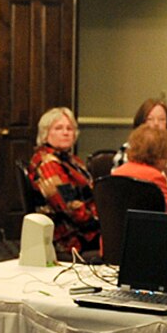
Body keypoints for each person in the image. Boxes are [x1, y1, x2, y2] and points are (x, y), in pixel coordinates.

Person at [25, 106, 100, 258]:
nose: (65, 133)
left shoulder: (69, 159)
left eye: (69, 128)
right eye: (58, 128)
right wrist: (103, 220)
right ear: (46, 134)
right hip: (69, 237)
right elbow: (70, 208)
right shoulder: (48, 164)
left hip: (83, 228)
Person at [109, 122, 167, 216]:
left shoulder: (118, 172)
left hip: (119, 228)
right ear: (160, 155)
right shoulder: (154, 177)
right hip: (148, 229)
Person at [111, 97, 167, 172]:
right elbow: (115, 179)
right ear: (141, 123)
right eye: (150, 119)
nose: (156, 124)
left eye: (161, 119)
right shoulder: (127, 149)